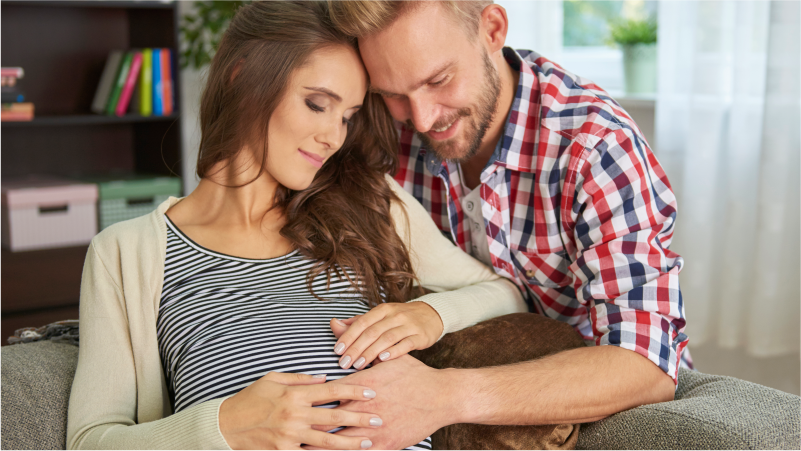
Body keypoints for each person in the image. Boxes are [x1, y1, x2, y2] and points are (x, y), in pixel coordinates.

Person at [65, 1, 528, 450]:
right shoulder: (127, 252)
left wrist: (431, 315)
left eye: (347, 116)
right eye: (316, 103)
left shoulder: (368, 202)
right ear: (242, 76)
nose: (334, 136)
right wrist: (225, 427)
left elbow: (507, 294)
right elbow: (90, 440)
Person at [311, 0, 692, 449]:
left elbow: (644, 367)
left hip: (590, 403)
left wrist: (444, 396)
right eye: (392, 93)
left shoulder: (596, 149)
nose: (422, 118)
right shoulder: (382, 133)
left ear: (492, 30)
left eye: (438, 80)